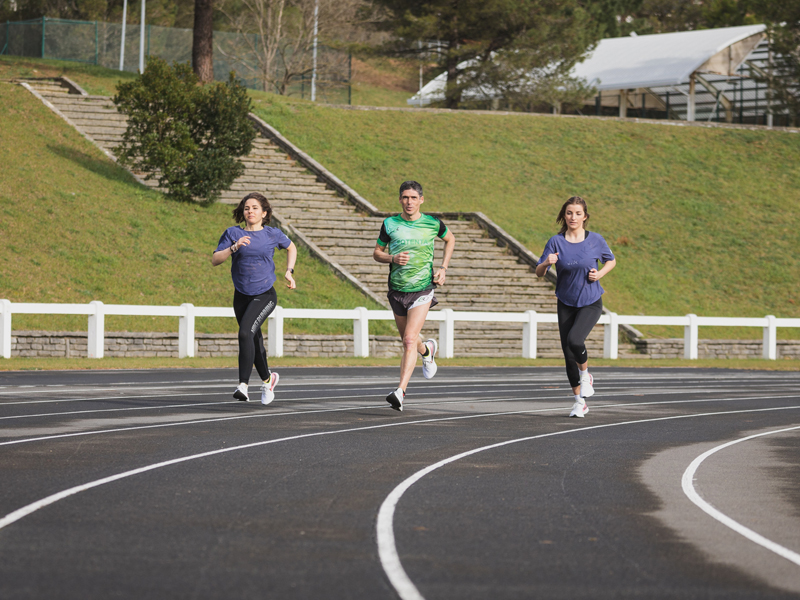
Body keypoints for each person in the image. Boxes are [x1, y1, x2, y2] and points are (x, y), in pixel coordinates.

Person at [373, 180, 456, 411]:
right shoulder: (390, 224)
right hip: (397, 289)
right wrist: (392, 258)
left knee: (409, 339)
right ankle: (427, 350)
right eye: (405, 197)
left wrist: (443, 268)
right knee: (410, 340)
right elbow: (377, 253)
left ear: (421, 200)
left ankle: (400, 392)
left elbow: (450, 239)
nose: (409, 202)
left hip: (423, 288)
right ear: (400, 200)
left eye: (413, 198)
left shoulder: (432, 223)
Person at [212, 192, 297, 405]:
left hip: (265, 295)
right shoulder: (232, 233)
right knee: (254, 340)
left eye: (255, 208)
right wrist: (234, 247)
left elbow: (291, 247)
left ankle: (243, 385)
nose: (250, 211)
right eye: (247, 208)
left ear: (264, 212)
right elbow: (215, 259)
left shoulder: (272, 234)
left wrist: (289, 271)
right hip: (241, 295)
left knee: (244, 332)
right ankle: (268, 380)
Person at [535, 196, 616, 418]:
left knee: (575, 340)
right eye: (569, 213)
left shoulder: (595, 240)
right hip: (566, 302)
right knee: (568, 354)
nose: (573, 217)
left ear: (585, 217)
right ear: (564, 215)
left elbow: (611, 260)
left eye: (578, 213)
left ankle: (586, 375)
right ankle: (579, 402)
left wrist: (599, 273)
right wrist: (546, 263)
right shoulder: (555, 242)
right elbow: (539, 273)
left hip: (590, 301)